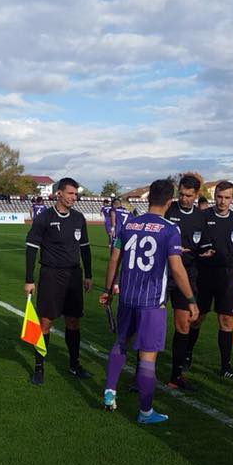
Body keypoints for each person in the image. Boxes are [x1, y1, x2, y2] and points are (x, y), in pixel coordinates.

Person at [100, 179, 199, 424]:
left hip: (127, 297)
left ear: (148, 198)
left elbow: (114, 259)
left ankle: (110, 390)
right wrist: (191, 300)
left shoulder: (129, 224)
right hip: (152, 302)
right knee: (148, 356)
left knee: (121, 343)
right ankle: (145, 412)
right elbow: (176, 268)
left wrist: (108, 290)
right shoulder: (169, 229)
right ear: (169, 201)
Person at [24, 178, 93, 385]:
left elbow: (85, 248)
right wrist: (29, 279)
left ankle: (74, 364)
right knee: (45, 322)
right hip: (51, 275)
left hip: (73, 276)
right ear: (59, 194)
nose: (74, 197)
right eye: (70, 193)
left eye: (76, 194)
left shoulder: (79, 218)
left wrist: (88, 274)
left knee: (73, 321)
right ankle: (39, 367)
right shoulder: (44, 217)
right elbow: (31, 248)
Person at [189, 181, 233, 379]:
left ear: (232, 198)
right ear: (215, 196)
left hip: (227, 277)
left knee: (226, 321)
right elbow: (193, 246)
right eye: (220, 196)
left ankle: (225, 366)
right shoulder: (203, 217)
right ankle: (187, 355)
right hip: (204, 276)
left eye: (227, 197)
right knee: (197, 318)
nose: (223, 201)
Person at [164, 174, 208, 390]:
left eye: (189, 195)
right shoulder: (167, 209)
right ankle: (139, 374)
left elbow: (205, 247)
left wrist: (203, 253)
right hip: (163, 273)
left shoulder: (201, 218)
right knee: (150, 322)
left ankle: (176, 376)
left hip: (187, 275)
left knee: (183, 325)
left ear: (196, 195)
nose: (184, 199)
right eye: (181, 194)